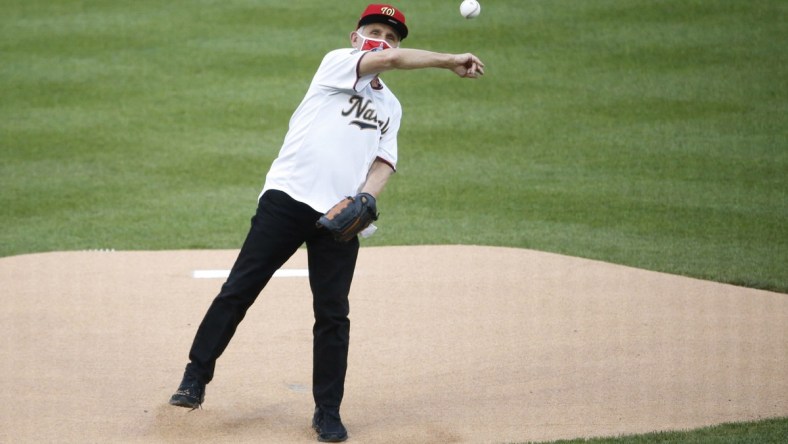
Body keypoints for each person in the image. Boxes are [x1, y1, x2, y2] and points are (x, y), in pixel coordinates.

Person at [168, 4, 484, 442]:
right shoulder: (337, 63)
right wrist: (450, 60)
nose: (384, 42)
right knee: (240, 289)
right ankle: (194, 377)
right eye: (374, 31)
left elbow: (383, 162)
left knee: (333, 314)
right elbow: (388, 63)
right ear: (356, 38)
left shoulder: (390, 105)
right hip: (287, 199)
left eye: (392, 37)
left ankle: (327, 412)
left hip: (339, 217)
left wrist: (367, 198)